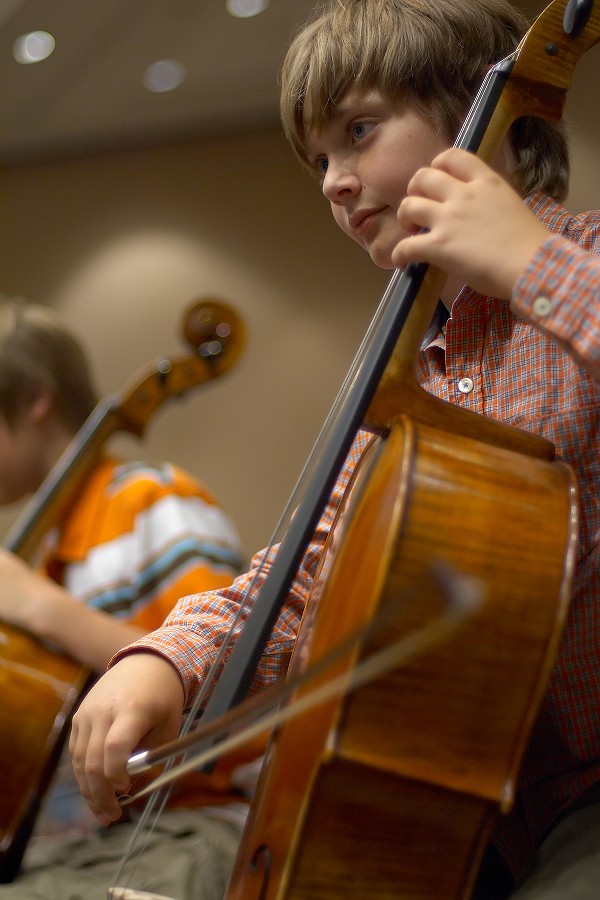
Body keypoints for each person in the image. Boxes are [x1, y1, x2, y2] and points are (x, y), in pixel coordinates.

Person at [69, 1, 600, 897]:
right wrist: (169, 658)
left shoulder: (581, 259)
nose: (333, 182)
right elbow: (312, 568)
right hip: (478, 816)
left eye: (359, 132)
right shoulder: (404, 366)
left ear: (485, 112)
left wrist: (527, 262)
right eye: (319, 159)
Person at [0, 297, 247, 899]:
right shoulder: (48, 550)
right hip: (78, 848)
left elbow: (231, 692)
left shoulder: (153, 501)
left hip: (185, 829)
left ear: (35, 400)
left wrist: (43, 609)